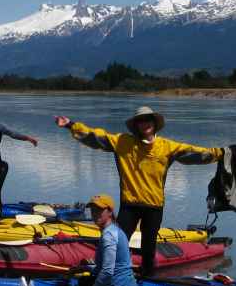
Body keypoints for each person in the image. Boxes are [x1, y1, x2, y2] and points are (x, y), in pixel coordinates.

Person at [54, 106, 223, 276]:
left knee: (148, 248)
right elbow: (95, 137)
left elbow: (195, 153)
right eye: (140, 121)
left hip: (154, 206)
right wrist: (70, 125)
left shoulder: (167, 147)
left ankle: (147, 278)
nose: (144, 124)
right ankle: (108, 275)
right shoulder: (122, 142)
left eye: (148, 120)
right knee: (117, 242)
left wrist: (220, 153)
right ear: (136, 126)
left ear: (154, 124)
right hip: (130, 205)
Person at [72, 194, 139, 286]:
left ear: (109, 212)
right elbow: (106, 267)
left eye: (99, 210)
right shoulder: (114, 230)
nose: (94, 213)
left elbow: (107, 271)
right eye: (93, 210)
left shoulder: (109, 235)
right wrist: (85, 268)